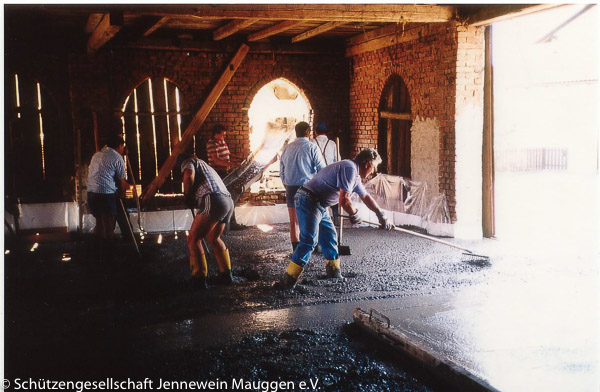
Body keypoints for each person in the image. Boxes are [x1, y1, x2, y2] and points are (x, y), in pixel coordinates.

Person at [275, 148, 395, 290]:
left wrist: (381, 215)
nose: (373, 171)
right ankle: (288, 280)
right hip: (309, 200)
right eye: (374, 167)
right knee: (308, 241)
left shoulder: (354, 174)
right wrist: (354, 214)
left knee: (329, 236)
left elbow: (366, 197)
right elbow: (344, 200)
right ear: (368, 164)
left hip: (319, 203)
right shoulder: (349, 168)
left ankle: (333, 273)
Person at [179, 153, 236, 289]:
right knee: (214, 237)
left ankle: (199, 279)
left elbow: (188, 175)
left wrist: (187, 195)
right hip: (228, 201)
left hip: (214, 199)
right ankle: (226, 275)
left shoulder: (188, 161)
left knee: (193, 239)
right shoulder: (205, 165)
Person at [280, 122, 326, 252]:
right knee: (311, 217)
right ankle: (312, 246)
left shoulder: (287, 148)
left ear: (296, 132)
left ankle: (296, 250)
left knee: (293, 220)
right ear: (308, 132)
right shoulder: (312, 147)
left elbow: (282, 169)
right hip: (308, 187)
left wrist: (286, 182)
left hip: (290, 187)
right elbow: (322, 168)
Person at [87, 135, 130, 242]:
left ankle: (97, 250)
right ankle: (108, 251)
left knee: (99, 224)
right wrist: (123, 191)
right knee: (108, 227)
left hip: (92, 194)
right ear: (120, 146)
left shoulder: (97, 155)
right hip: (105, 195)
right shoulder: (117, 158)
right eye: (122, 146)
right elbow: (121, 182)